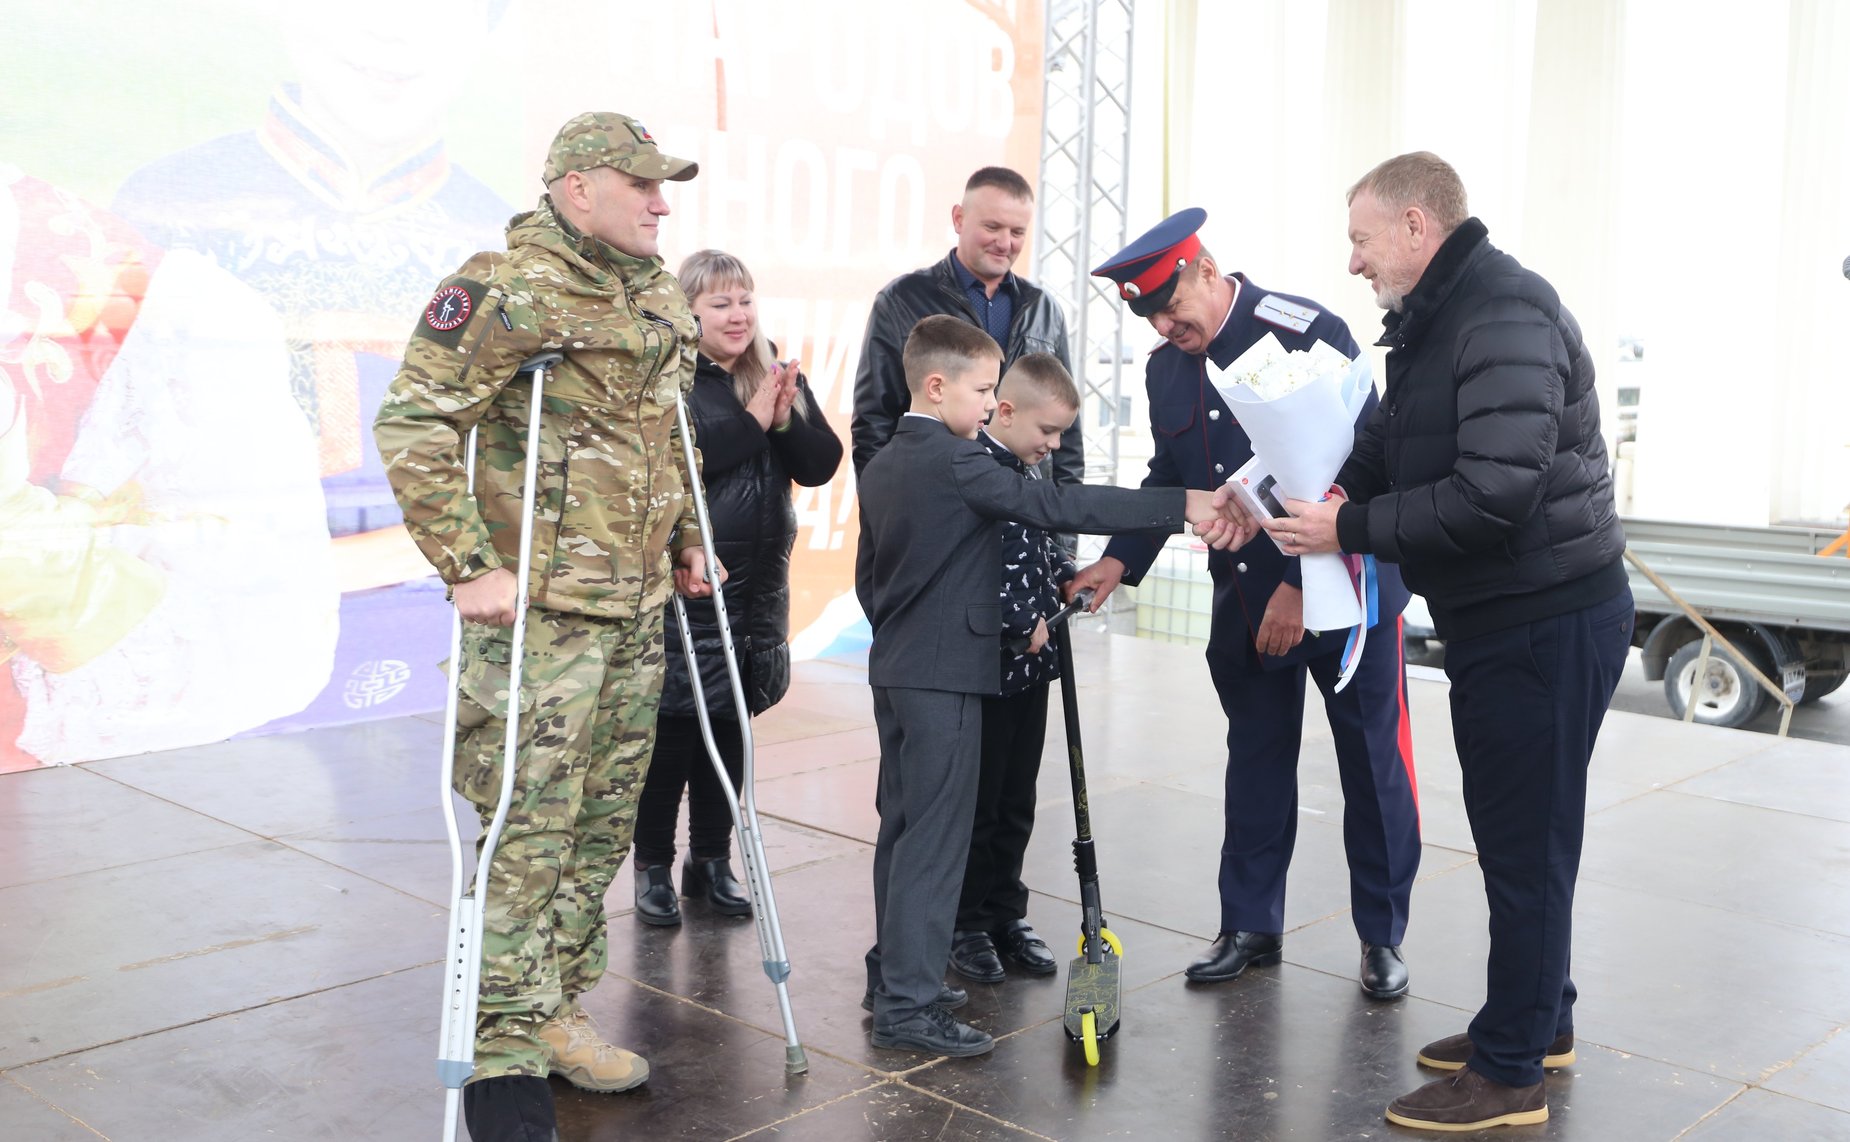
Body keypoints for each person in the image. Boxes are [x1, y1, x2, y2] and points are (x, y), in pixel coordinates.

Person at [1248, 151, 1630, 1132]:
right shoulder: (1445, 316)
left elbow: (1495, 489)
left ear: (1416, 226)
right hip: (1510, 615)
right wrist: (1338, 490)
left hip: (1541, 618)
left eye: (1361, 239)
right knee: (1522, 838)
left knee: (1524, 847)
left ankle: (1508, 1076)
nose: (1351, 261)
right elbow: (1397, 438)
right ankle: (1535, 1021)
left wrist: (1352, 529)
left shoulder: (1501, 310)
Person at [374, 111, 710, 1142]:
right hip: (544, 618)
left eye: (664, 188)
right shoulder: (504, 287)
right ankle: (500, 1042)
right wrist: (467, 563)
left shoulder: (652, 291)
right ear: (575, 190)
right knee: (528, 823)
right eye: (641, 185)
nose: (662, 203)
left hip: (634, 607)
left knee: (602, 821)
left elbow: (664, 435)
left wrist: (688, 536)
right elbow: (414, 419)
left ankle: (555, 1005)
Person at [856, 314, 1233, 1057]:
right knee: (935, 843)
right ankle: (910, 1005)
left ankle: (895, 977)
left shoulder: (885, 461)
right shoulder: (957, 460)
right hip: (946, 680)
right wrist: (1181, 504)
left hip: (897, 672)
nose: (992, 403)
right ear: (938, 387)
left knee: (902, 836)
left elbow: (873, 579)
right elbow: (1061, 505)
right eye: (984, 389)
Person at [1073, 208, 1422, 1003]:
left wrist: (1301, 583)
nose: (1167, 325)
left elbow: (1367, 457)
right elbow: (1171, 475)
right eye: (1150, 316)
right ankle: (1250, 924)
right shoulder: (1169, 368)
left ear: (1204, 269)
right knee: (1256, 757)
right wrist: (1120, 559)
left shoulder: (1304, 330)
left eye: (1172, 305)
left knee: (1372, 767)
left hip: (1344, 590)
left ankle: (1383, 935)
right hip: (1244, 595)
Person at [631, 249, 843, 927]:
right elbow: (680, 458)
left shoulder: (770, 370)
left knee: (729, 732)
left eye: (745, 299)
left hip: (755, 591)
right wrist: (754, 418)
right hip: (688, 587)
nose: (738, 314)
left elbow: (821, 463)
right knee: (672, 736)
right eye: (720, 303)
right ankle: (653, 867)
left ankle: (711, 862)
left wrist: (783, 418)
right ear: (687, 313)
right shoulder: (668, 378)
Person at [947, 353, 1080, 985]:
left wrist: (1061, 577)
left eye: (1060, 436)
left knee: (1015, 797)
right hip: (987, 668)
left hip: (1032, 665)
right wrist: (1017, 616)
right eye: (1046, 432)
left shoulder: (1029, 470)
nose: (1052, 445)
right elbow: (976, 565)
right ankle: (965, 920)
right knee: (979, 799)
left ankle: (1005, 911)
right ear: (1005, 410)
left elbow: (1036, 541)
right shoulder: (976, 469)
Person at [850, 166, 1083, 488]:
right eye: (992, 227)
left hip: (1023, 506)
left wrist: (1062, 533)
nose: (1005, 243)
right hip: (934, 497)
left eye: (1017, 232)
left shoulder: (1043, 308)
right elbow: (874, 420)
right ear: (959, 219)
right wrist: (885, 515)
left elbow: (1067, 434)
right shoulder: (901, 300)